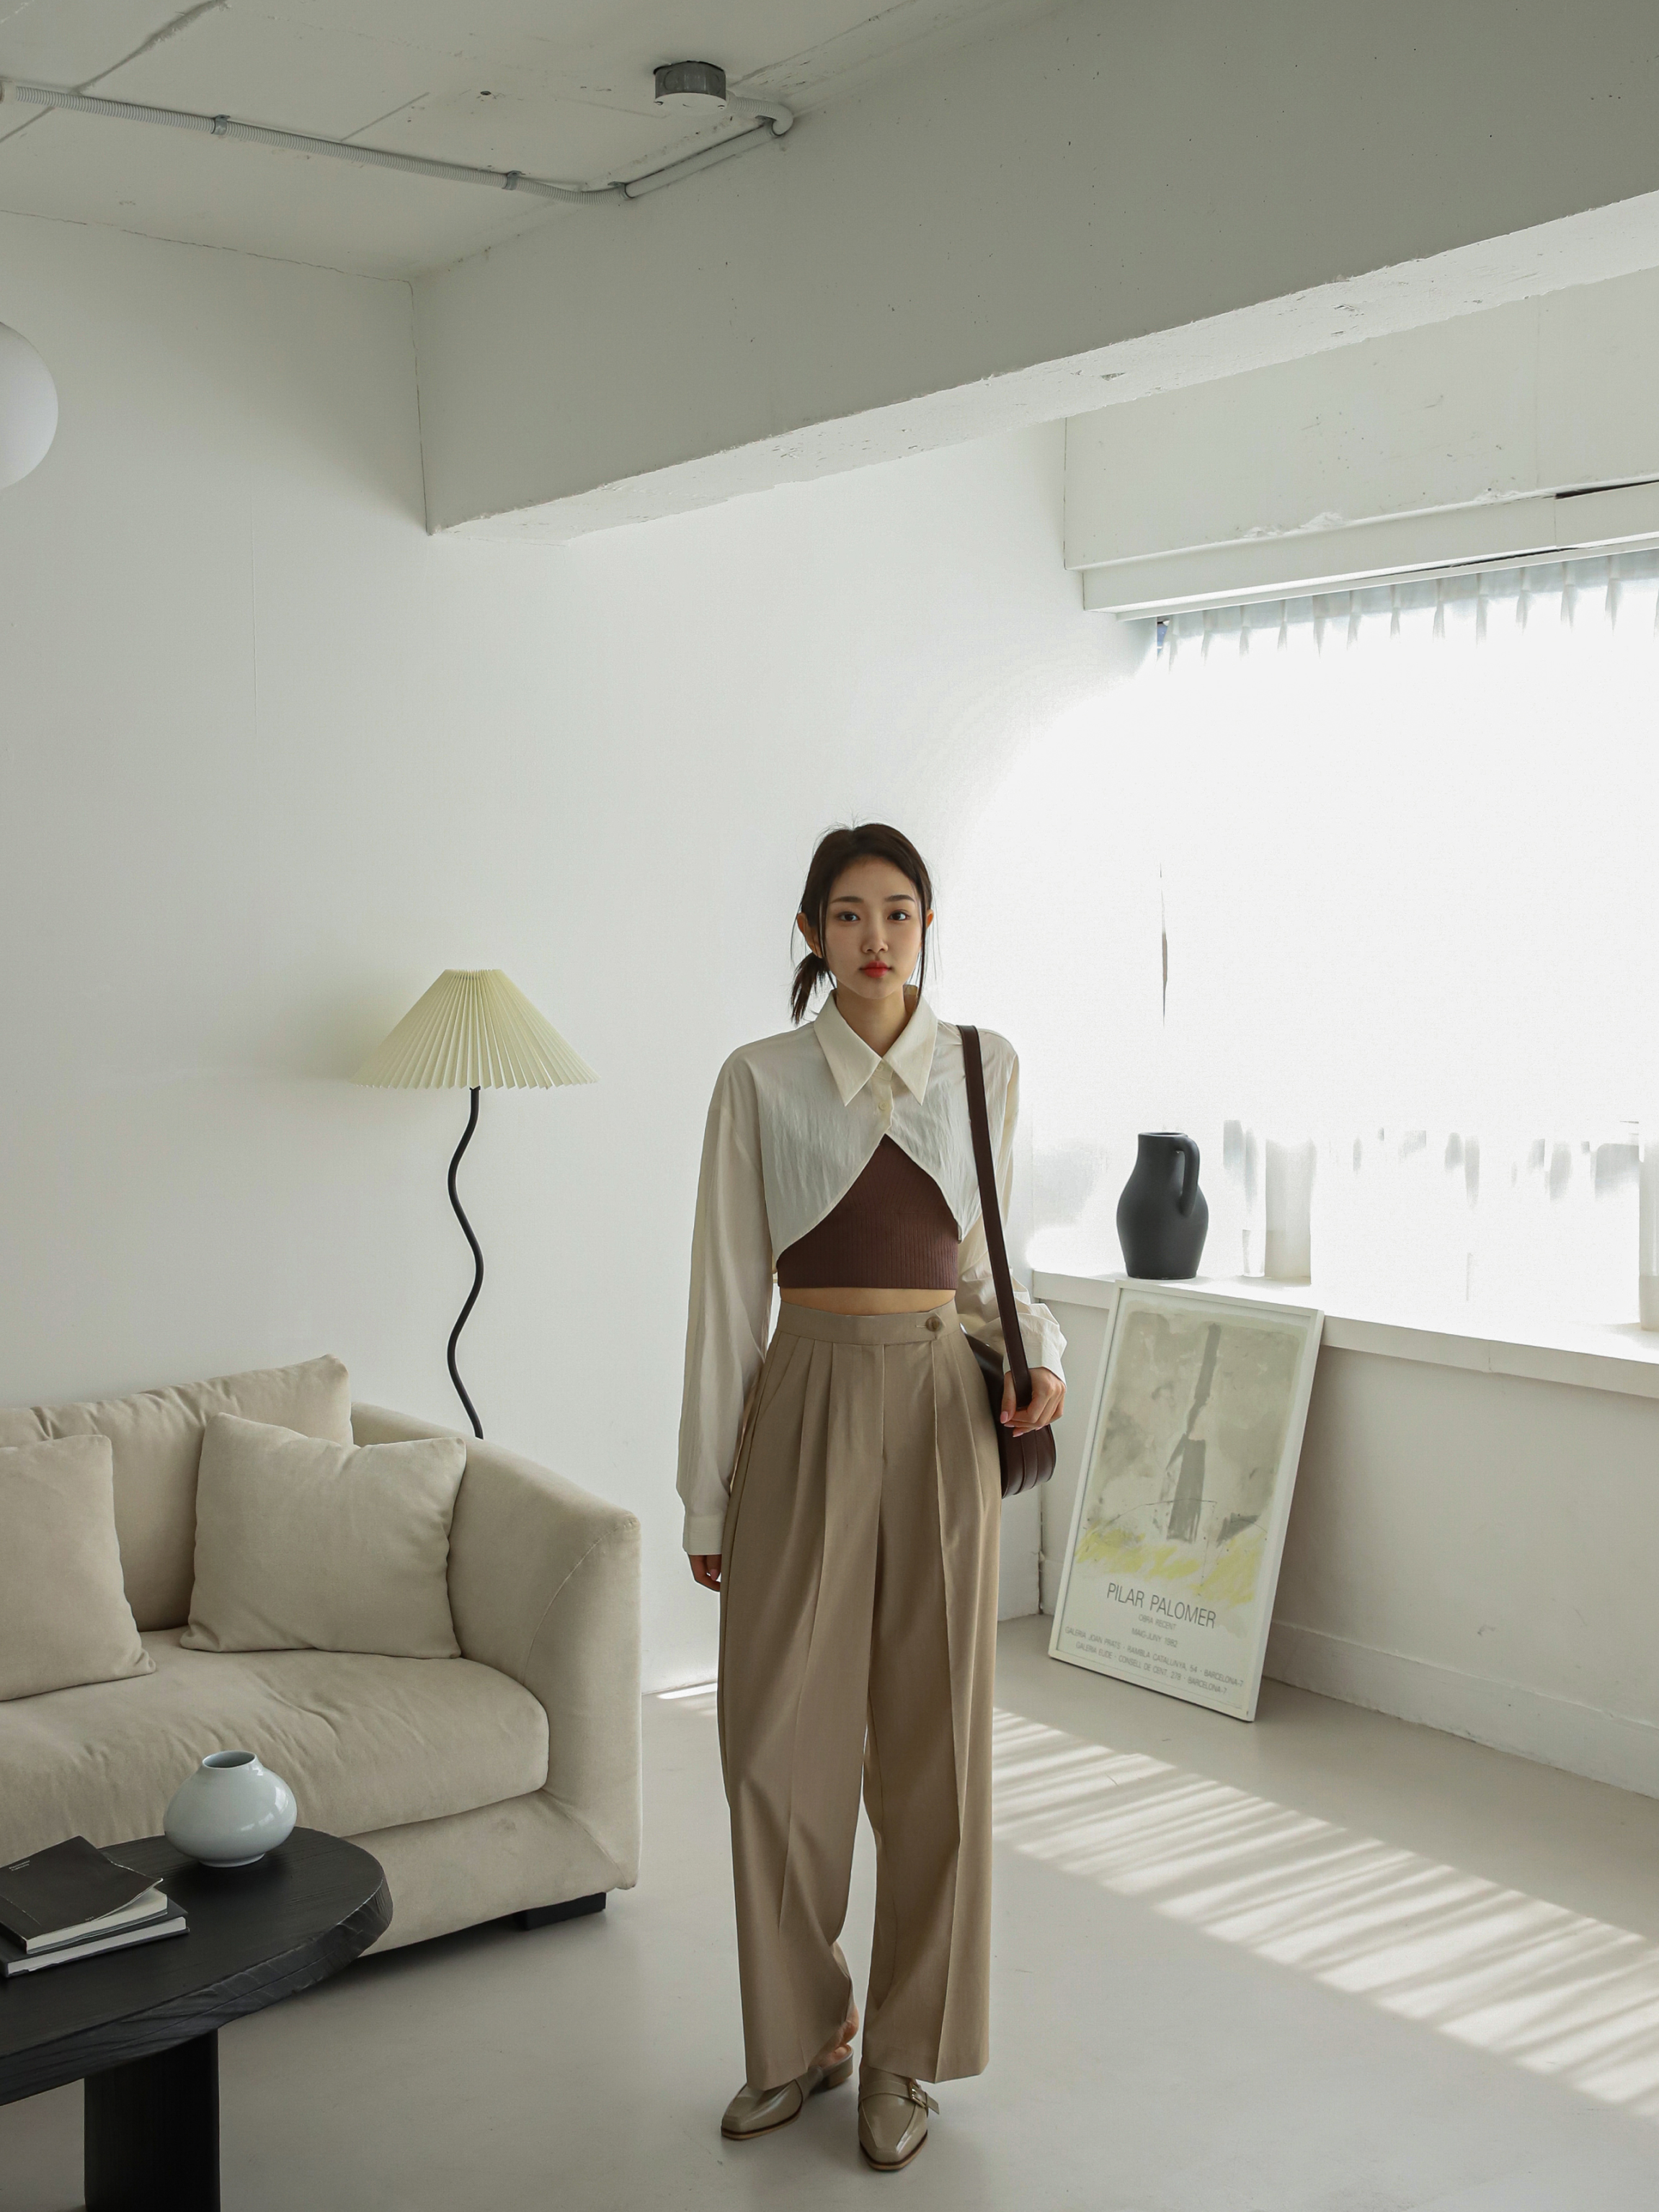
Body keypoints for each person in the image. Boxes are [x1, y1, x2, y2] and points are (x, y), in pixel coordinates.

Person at [676, 822, 1065, 2171]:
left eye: (899, 911)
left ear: (927, 924)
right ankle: (797, 2036)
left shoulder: (981, 1066)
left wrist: (1041, 1362)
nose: (877, 936)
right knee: (772, 1740)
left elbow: (995, 1263)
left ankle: (907, 2051)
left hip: (941, 1405)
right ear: (810, 935)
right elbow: (726, 1296)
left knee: (932, 1747)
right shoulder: (761, 1081)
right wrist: (704, 1500)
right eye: (848, 914)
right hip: (800, 1397)